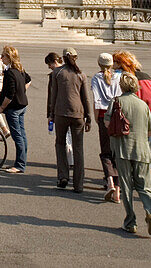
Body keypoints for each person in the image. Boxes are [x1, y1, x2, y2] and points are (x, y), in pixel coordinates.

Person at [105, 73, 151, 235]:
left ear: (121, 86)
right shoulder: (143, 105)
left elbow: (108, 123)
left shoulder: (116, 102)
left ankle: (130, 221)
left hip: (123, 150)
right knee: (145, 186)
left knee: (126, 186)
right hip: (142, 150)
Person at [48, 47, 92, 193]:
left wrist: (51, 113)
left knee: (60, 144)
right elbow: (85, 97)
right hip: (78, 114)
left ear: (63, 58)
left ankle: (63, 176)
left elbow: (53, 94)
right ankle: (78, 184)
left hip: (61, 113)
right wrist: (89, 117)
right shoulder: (81, 74)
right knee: (78, 148)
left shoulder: (57, 73)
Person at [90, 52, 121, 200]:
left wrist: (96, 117)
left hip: (103, 115)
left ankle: (109, 181)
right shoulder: (119, 77)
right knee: (118, 152)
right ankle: (118, 190)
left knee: (106, 151)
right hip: (117, 114)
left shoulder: (97, 77)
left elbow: (97, 99)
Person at [0, 45, 31, 174]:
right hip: (22, 105)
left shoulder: (11, 72)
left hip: (14, 108)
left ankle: (20, 164)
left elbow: (9, 95)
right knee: (22, 134)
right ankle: (21, 161)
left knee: (17, 136)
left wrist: (1, 107)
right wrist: (21, 91)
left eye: (3, 56)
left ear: (9, 57)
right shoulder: (19, 69)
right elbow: (28, 80)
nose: (1, 58)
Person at [114, 50, 151, 116]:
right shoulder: (145, 77)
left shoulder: (121, 78)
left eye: (113, 61)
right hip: (146, 116)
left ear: (120, 64)